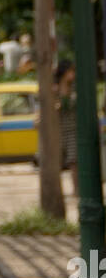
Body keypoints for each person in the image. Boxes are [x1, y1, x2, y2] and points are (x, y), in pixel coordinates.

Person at [56, 59, 78, 194]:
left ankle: (76, 189)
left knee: (74, 161)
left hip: (73, 129)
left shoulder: (74, 87)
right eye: (71, 71)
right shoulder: (55, 88)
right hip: (59, 129)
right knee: (60, 161)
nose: (73, 74)